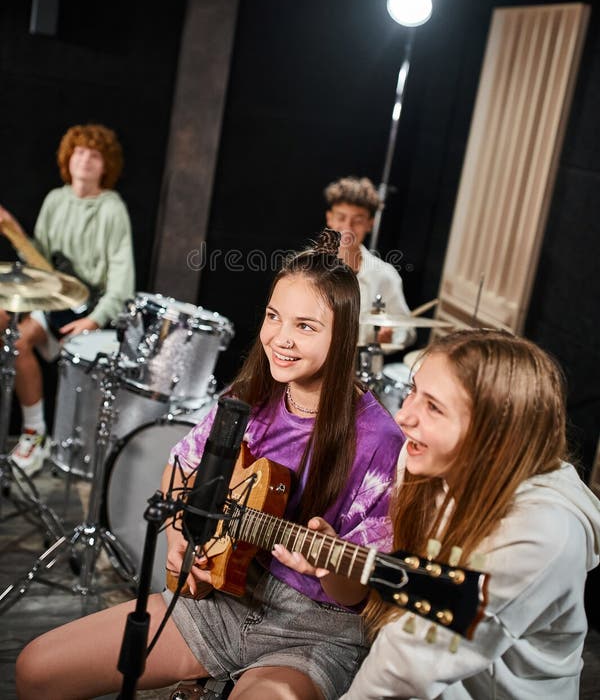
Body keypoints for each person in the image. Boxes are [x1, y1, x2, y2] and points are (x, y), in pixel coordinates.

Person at [15, 229, 404, 700]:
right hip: (224, 599)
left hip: (314, 630)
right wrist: (181, 539)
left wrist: (325, 564)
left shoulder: (381, 441)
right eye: (273, 317)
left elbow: (357, 595)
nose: (280, 339)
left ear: (342, 335)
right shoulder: (248, 398)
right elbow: (181, 471)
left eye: (305, 326)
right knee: (36, 670)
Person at [315, 328, 599, 699]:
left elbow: (406, 664)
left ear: (495, 435)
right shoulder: (425, 463)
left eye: (433, 407)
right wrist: (340, 559)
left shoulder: (542, 535)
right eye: (413, 391)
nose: (403, 417)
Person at [0, 123, 135, 477]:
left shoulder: (112, 209)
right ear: (67, 157)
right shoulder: (55, 200)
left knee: (27, 343)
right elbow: (41, 268)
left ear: (106, 166)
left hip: (89, 311)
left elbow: (122, 284)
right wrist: (14, 231)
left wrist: (94, 320)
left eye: (94, 155)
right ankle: (34, 433)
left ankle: (50, 442)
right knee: (6, 327)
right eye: (79, 152)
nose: (85, 160)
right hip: (54, 301)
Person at [324, 175, 416, 350]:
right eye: (341, 217)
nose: (348, 227)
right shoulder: (307, 268)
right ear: (330, 218)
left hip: (360, 365)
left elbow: (408, 330)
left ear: (370, 224)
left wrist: (392, 335)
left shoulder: (385, 275)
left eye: (357, 220)